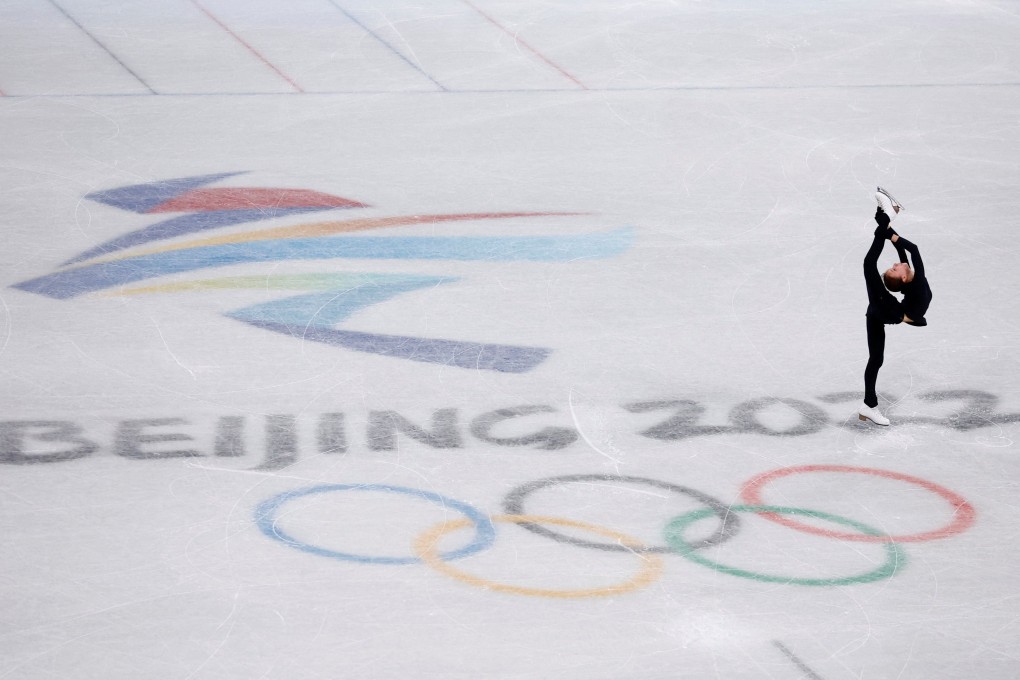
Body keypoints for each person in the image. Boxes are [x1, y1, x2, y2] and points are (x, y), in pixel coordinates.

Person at [859, 189, 932, 426]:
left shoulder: (914, 283)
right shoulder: (913, 281)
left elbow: (908, 251)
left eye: (894, 268)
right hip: (882, 311)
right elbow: (908, 251)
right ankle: (887, 213)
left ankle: (888, 213)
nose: (895, 264)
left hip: (883, 311)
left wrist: (888, 230)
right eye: (894, 268)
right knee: (869, 264)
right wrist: (887, 230)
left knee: (876, 359)